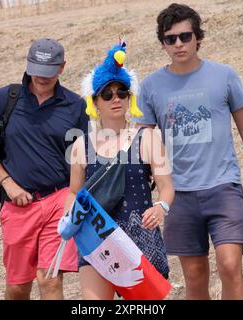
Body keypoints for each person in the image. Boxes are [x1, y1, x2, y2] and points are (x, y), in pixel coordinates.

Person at [135, 3, 243, 300]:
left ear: (198, 37)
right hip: (177, 194)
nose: (179, 44)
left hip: (223, 186)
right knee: (195, 275)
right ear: (162, 43)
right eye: (170, 38)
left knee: (229, 265)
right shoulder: (150, 87)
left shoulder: (224, 76)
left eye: (185, 36)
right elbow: (144, 140)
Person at [0, 38, 89, 300]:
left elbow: (84, 156)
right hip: (17, 205)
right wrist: (8, 183)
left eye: (48, 71)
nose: (40, 77)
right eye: (36, 69)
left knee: (49, 279)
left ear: (62, 68)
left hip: (58, 200)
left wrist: (75, 196)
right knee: (17, 286)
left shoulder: (75, 106)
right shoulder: (6, 98)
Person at [64, 41, 175, 299]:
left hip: (139, 238)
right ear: (95, 102)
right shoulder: (81, 145)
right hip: (96, 238)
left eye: (122, 92)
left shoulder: (147, 137)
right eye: (107, 94)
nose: (116, 98)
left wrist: (161, 207)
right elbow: (72, 192)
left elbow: (167, 186)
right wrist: (71, 214)